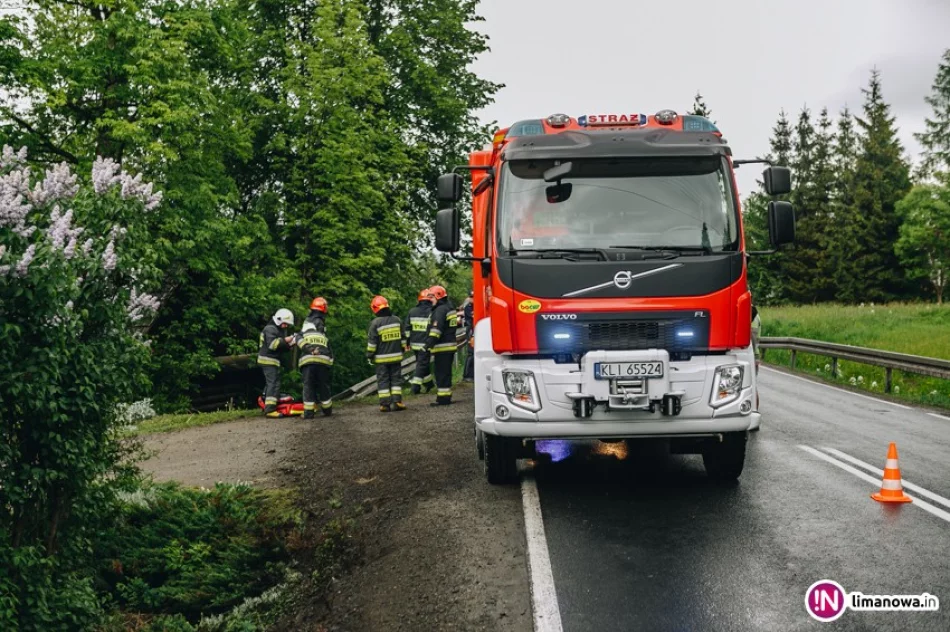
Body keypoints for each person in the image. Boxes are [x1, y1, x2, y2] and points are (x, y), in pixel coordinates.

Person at [367, 295, 406, 412]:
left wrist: (369, 355)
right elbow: (403, 338)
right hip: (396, 357)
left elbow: (372, 343)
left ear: (375, 309)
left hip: (381, 360)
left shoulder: (375, 323)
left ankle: (385, 405)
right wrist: (402, 349)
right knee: (396, 379)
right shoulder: (397, 320)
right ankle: (397, 402)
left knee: (383, 380)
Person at [258, 308, 297, 417]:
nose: (286, 326)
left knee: (275, 383)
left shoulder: (278, 329)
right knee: (273, 383)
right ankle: (269, 410)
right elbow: (273, 345)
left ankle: (269, 405)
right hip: (267, 360)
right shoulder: (270, 329)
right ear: (279, 319)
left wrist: (291, 344)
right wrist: (287, 339)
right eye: (285, 324)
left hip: (272, 361)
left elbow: (280, 347)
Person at [299, 297, 334, 419]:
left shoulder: (306, 324)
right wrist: (330, 359)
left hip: (308, 360)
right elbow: (327, 344)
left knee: (308, 385)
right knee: (323, 385)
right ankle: (327, 410)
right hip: (322, 359)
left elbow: (299, 339)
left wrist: (309, 350)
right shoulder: (321, 325)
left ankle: (309, 413)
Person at [425, 285, 457, 406]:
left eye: (432, 297)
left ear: (438, 296)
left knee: (441, 373)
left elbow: (436, 330)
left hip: (442, 347)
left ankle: (443, 399)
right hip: (449, 346)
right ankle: (445, 396)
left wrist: (428, 344)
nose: (430, 299)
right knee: (445, 372)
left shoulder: (440, 310)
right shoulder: (449, 308)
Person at [405, 288, 435, 394]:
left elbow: (407, 329)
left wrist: (407, 343)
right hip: (426, 344)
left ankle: (429, 384)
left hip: (414, 344)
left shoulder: (412, 311)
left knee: (422, 363)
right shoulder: (432, 312)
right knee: (422, 364)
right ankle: (415, 387)